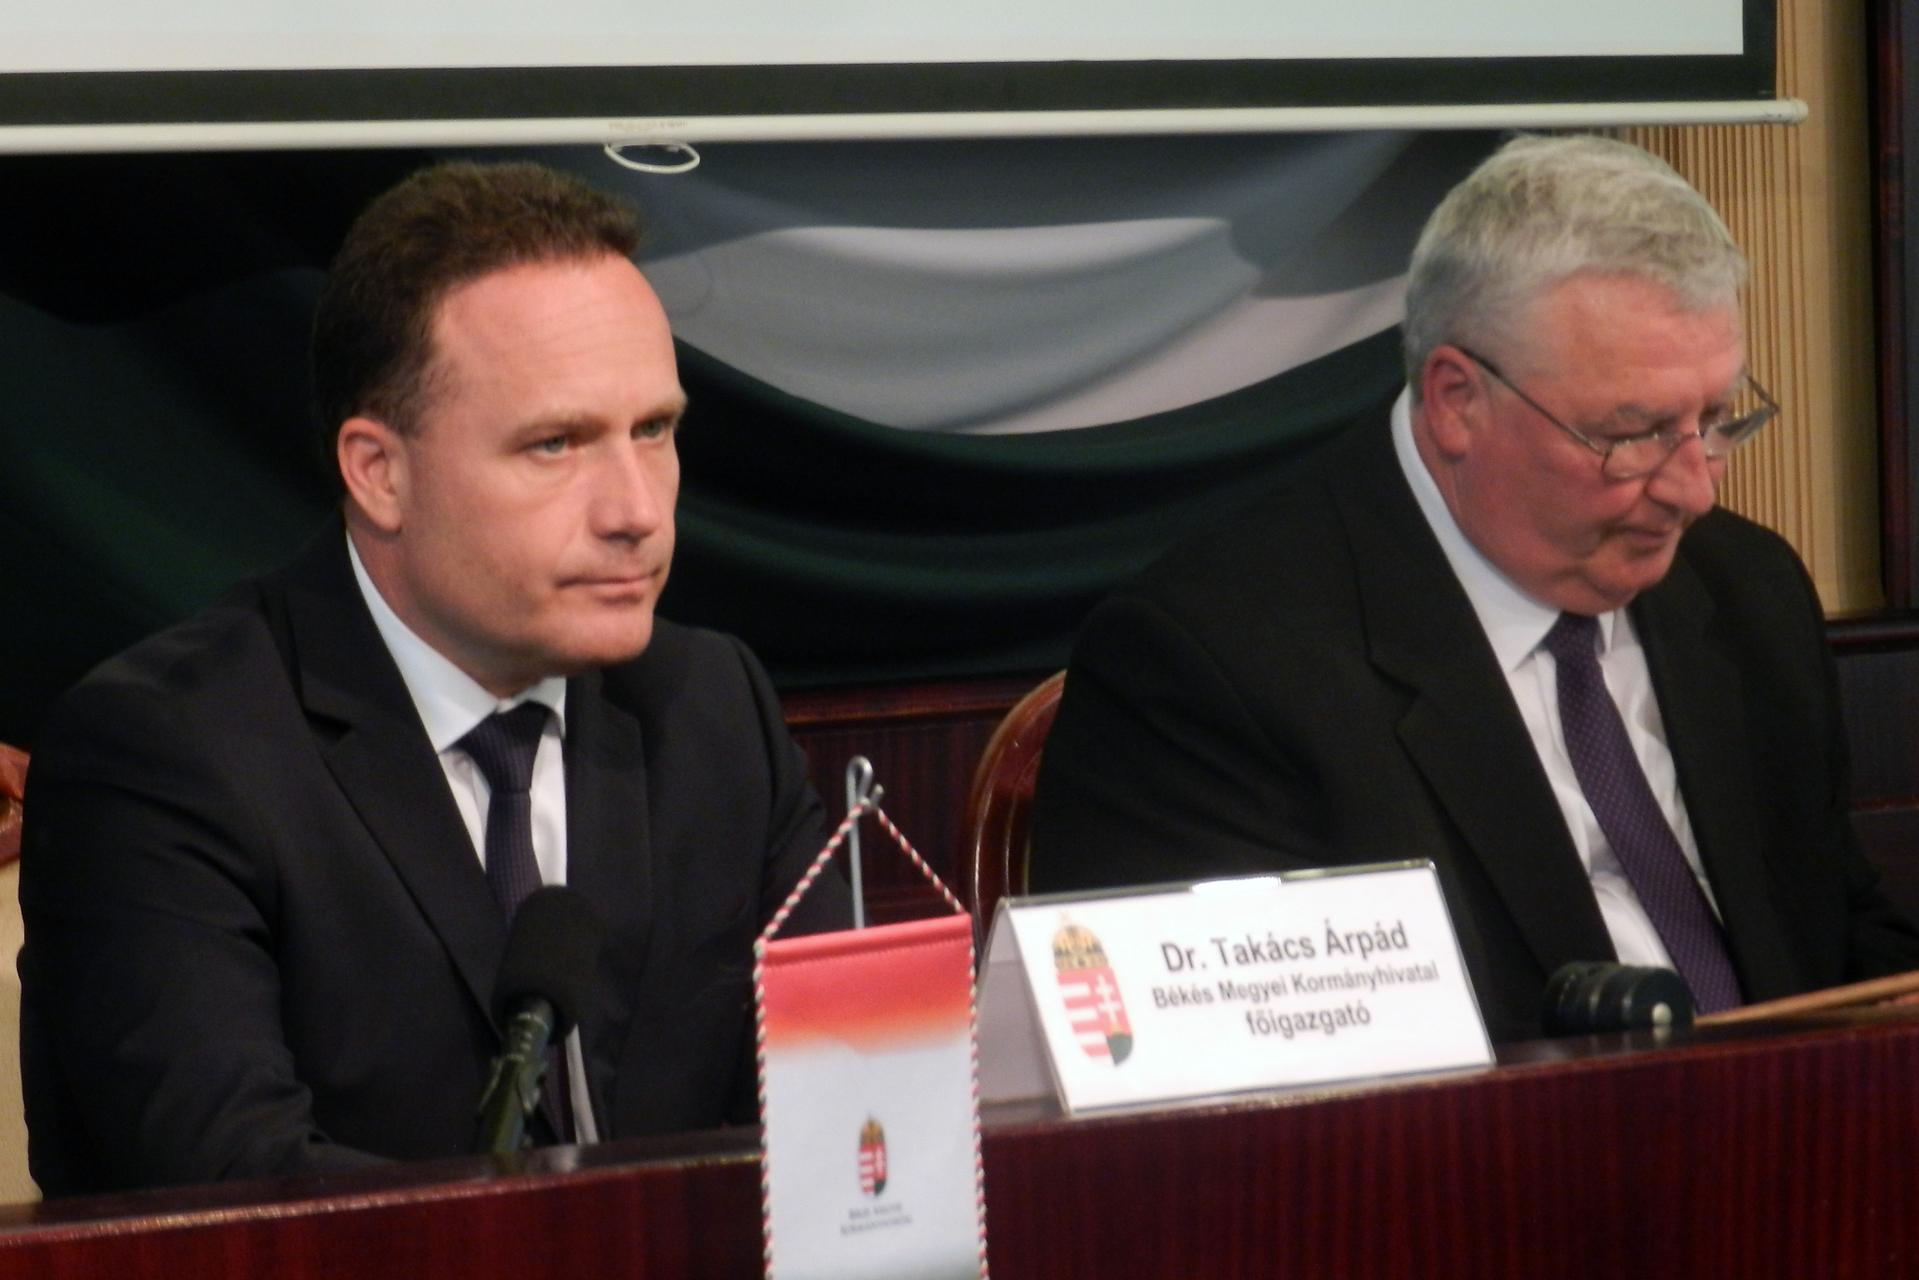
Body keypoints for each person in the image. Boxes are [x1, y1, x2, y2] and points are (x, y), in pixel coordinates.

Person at [19, 161, 848, 1195]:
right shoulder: (167, 755)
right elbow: (236, 1190)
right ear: (380, 472)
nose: (635, 509)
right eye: (555, 444)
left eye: (654, 430)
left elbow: (852, 1092)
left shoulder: (712, 707)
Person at [1028, 135, 1919, 1042]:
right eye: (1634, 434)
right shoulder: (1210, 669)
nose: (1693, 491)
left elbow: (1834, 941)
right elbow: (1210, 1077)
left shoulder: (1746, 593)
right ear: (1456, 400)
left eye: (1716, 418)